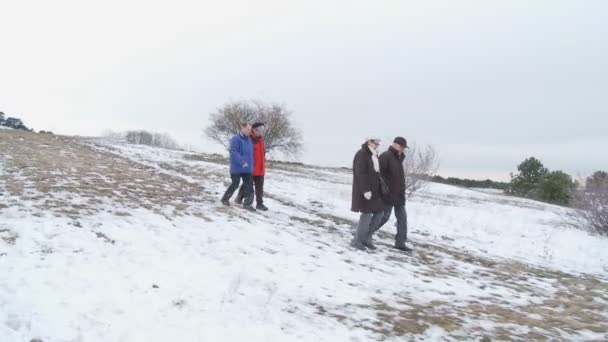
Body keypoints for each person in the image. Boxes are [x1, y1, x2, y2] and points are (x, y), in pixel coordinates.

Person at [371, 136, 411, 251]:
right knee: (384, 218)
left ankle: (400, 243)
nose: (403, 149)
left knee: (402, 218)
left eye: (404, 148)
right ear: (396, 145)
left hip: (399, 195)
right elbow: (378, 175)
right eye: (402, 147)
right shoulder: (386, 156)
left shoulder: (398, 158)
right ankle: (365, 234)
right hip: (388, 195)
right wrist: (383, 191)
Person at [351, 137, 386, 250]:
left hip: (375, 192)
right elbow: (361, 174)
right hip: (366, 191)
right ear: (369, 142)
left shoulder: (373, 154)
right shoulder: (362, 154)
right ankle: (357, 241)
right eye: (375, 142)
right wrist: (366, 190)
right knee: (366, 216)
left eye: (378, 142)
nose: (377, 144)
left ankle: (365, 238)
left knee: (380, 213)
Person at [220, 122, 255, 211]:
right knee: (235, 184)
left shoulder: (249, 140)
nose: (249, 131)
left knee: (249, 186)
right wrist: (242, 162)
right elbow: (233, 152)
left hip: (247, 168)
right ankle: (225, 199)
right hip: (237, 168)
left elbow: (250, 155)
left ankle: (247, 205)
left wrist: (251, 165)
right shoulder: (235, 139)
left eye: (250, 130)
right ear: (242, 128)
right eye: (247, 129)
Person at [235, 122, 268, 211]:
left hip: (260, 169)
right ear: (254, 130)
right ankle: (245, 202)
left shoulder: (261, 140)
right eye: (260, 130)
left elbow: (262, 153)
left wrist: (264, 160)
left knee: (259, 188)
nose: (262, 131)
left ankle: (259, 204)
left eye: (262, 130)